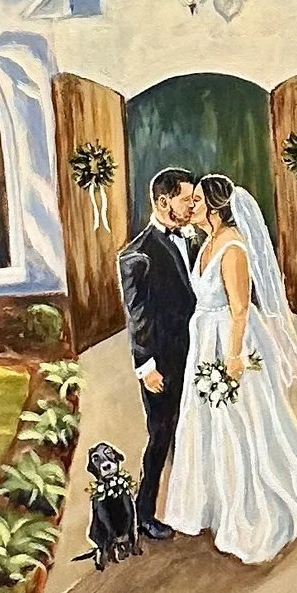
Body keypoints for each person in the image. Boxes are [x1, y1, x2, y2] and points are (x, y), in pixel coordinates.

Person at [161, 174, 297, 564]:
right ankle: (211, 505)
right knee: (209, 424)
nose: (192, 206)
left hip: (230, 342)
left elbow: (239, 308)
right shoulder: (205, 242)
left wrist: (232, 359)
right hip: (205, 341)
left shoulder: (233, 247)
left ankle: (251, 508)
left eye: (198, 200)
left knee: (242, 422)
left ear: (216, 207)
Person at [115, 166, 202, 540]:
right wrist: (145, 365)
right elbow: (138, 319)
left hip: (200, 354)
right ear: (164, 202)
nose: (193, 204)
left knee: (199, 430)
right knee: (161, 434)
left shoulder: (198, 240)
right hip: (163, 363)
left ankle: (197, 505)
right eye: (186, 199)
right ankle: (144, 513)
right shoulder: (136, 256)